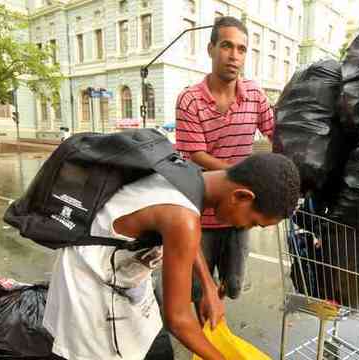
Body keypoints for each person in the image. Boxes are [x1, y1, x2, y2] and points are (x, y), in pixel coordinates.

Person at [43, 153, 300, 360]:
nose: (245, 228)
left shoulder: (189, 174)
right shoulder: (182, 217)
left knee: (153, 345)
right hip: (94, 285)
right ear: (242, 196)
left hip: (121, 269)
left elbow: (186, 237)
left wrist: (209, 286)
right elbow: (178, 320)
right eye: (253, 223)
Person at [175, 16, 274, 300]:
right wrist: (243, 175)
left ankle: (217, 314)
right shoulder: (190, 99)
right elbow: (196, 153)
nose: (234, 56)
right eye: (227, 46)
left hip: (240, 215)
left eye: (241, 49)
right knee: (195, 290)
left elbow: (274, 132)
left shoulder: (254, 94)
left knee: (233, 286)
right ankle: (204, 332)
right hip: (201, 215)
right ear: (211, 49)